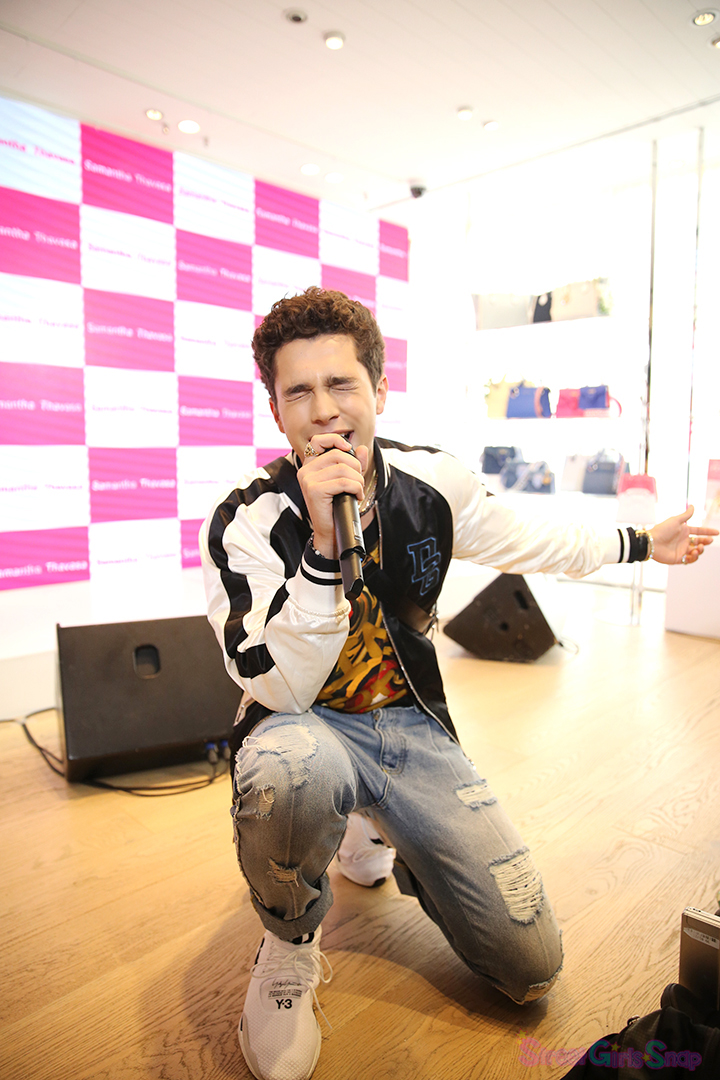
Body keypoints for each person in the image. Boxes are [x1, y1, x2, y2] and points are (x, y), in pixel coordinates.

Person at [199, 286, 717, 1080]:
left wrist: (642, 542)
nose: (324, 410)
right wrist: (325, 552)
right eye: (298, 391)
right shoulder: (245, 519)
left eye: (341, 384)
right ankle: (289, 940)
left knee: (531, 970)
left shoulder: (431, 481)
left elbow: (532, 538)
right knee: (289, 771)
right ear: (276, 411)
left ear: (379, 391)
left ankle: (371, 828)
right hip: (305, 726)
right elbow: (279, 685)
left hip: (408, 725)